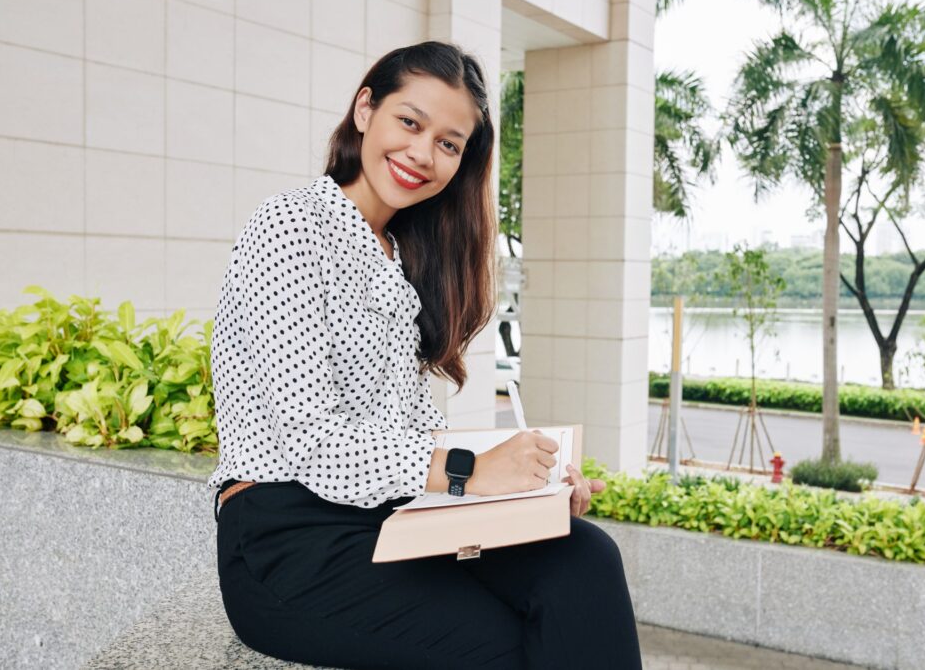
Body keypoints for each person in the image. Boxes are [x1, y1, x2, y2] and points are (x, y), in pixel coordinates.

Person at [208, 40, 643, 670]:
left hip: (388, 522)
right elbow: (310, 440)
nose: (422, 154)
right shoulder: (290, 226)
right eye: (410, 122)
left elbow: (406, 439)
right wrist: (471, 469)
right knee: (514, 642)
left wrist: (531, 488)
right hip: (288, 540)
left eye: (448, 143)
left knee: (583, 556)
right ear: (365, 110)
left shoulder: (403, 255)